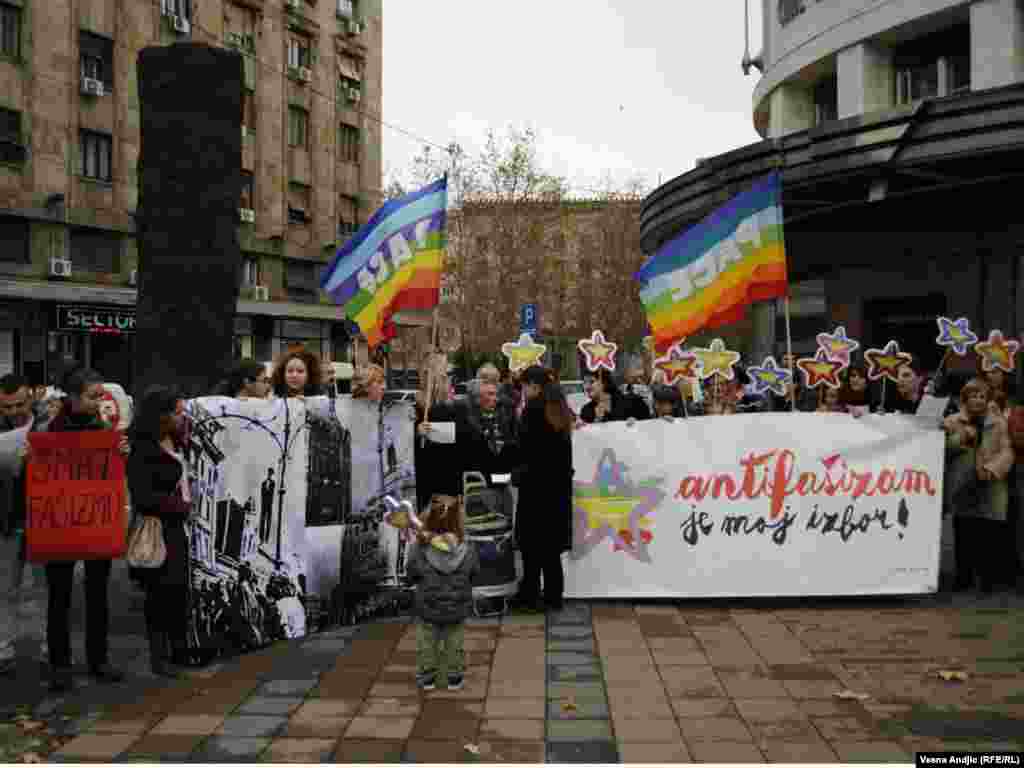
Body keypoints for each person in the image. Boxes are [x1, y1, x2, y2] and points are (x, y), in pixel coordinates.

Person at [45, 367, 130, 692]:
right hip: (61, 520)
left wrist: (121, 454)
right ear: (72, 396)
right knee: (59, 594)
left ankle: (98, 659)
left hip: (94, 519)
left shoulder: (101, 427)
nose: (98, 403)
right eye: (92, 397)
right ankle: (60, 664)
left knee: (97, 593)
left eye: (100, 396)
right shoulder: (50, 428)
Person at [126, 386, 191, 677]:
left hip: (178, 527)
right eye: (177, 412)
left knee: (177, 589)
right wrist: (181, 506)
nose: (183, 417)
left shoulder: (179, 440)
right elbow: (143, 496)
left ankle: (178, 649)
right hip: (159, 527)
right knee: (159, 593)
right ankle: (159, 655)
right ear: (161, 416)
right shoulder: (142, 448)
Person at [0, 374, 51, 676]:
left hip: (43, 520)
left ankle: (48, 645)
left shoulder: (48, 427)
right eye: (6, 407)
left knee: (46, 587)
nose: (13, 412)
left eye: (19, 404)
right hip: (6, 520)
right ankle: (4, 648)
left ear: (30, 397)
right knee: (5, 587)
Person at [944, 378, 1015, 593]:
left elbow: (1007, 451)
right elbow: (942, 449)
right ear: (965, 399)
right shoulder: (952, 421)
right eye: (973, 396)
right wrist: (961, 438)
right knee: (964, 533)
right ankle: (962, 578)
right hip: (962, 483)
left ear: (987, 400)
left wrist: (993, 469)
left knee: (988, 535)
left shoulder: (999, 423)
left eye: (982, 396)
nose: (977, 400)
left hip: (990, 484)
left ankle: (987, 580)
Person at [406, 494, 479, 691]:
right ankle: (454, 677)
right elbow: (474, 573)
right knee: (455, 641)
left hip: (428, 606)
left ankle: (427, 677)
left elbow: (411, 575)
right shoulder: (468, 549)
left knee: (426, 642)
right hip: (457, 606)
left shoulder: (418, 549)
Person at [515, 367, 574, 612]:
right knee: (550, 550)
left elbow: (525, 452)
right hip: (557, 491)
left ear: (534, 386)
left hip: (535, 489)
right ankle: (553, 596)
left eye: (524, 386)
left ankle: (529, 595)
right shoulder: (559, 411)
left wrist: (517, 474)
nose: (523, 391)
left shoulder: (533, 412)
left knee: (531, 547)